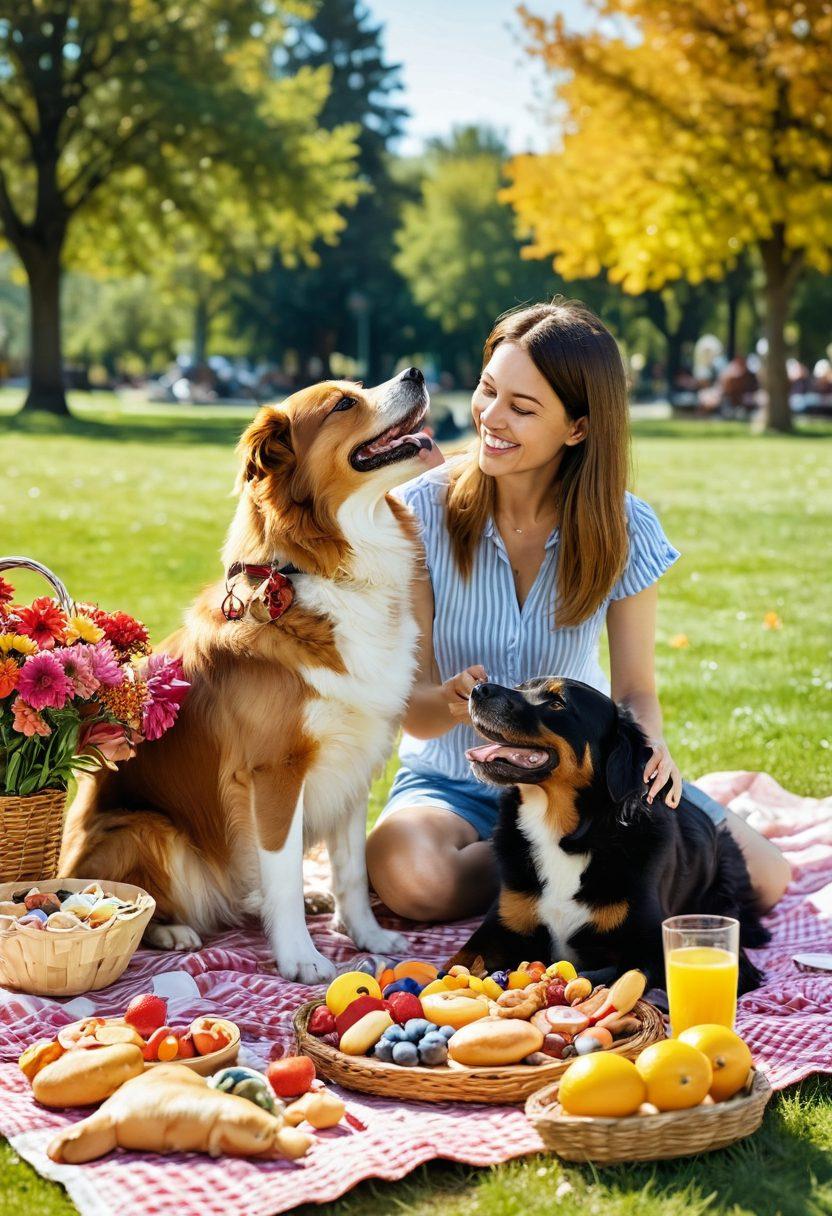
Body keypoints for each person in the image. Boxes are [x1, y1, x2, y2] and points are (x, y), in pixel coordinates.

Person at [366, 300, 791, 924]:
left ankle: (555, 868)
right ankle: (564, 867)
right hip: (455, 782)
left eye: (523, 407)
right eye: (489, 391)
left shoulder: (623, 528)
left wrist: (654, 752)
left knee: (766, 879)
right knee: (410, 875)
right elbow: (419, 717)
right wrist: (457, 699)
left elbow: (636, 690)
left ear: (579, 428)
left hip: (576, 785)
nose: (492, 418)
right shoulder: (418, 514)